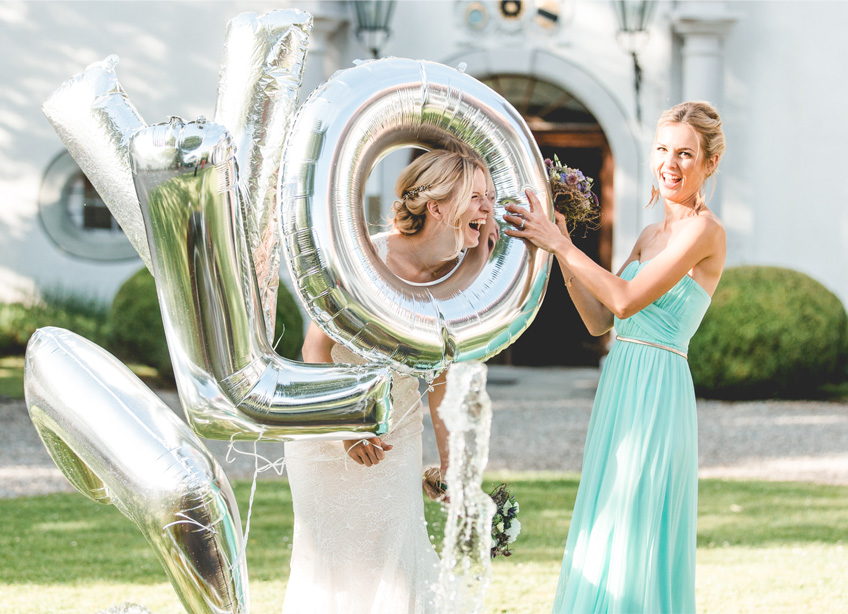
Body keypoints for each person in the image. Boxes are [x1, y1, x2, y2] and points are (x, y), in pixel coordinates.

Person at [504, 101, 726, 613]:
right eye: (663, 149)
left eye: (686, 154)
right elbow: (601, 320)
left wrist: (561, 243)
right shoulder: (651, 235)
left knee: (637, 524)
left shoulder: (704, 232)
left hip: (657, 391)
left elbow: (625, 298)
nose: (671, 163)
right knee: (607, 518)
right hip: (621, 382)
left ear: (708, 164)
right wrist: (557, 253)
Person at [281, 149, 492, 614]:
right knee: (332, 573)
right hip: (329, 428)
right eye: (477, 197)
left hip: (398, 437)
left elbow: (440, 378)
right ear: (438, 207)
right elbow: (315, 350)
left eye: (489, 198)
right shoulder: (365, 258)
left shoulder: (456, 280)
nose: (487, 209)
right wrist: (349, 427)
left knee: (399, 565)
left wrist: (451, 465)